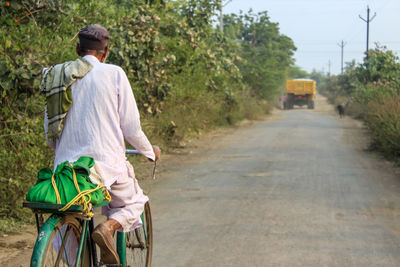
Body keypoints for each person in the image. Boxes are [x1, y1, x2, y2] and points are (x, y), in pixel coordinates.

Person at [42, 24, 160, 264]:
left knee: (69, 217)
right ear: (105, 52)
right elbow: (131, 127)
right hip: (106, 168)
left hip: (67, 173)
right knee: (134, 200)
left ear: (78, 49)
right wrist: (150, 152)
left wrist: (63, 151)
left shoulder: (58, 75)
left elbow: (50, 132)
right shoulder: (114, 73)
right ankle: (108, 228)